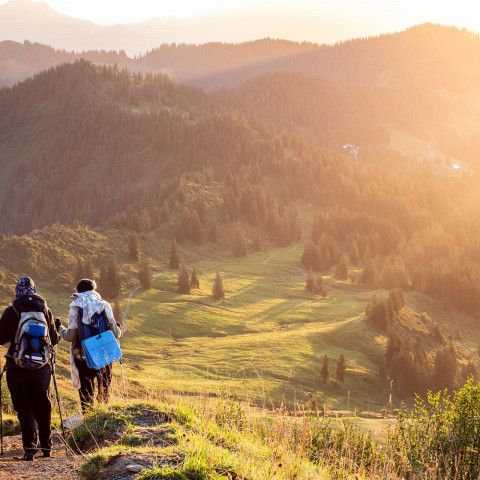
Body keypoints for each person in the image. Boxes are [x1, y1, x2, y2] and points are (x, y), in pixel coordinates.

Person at [0, 277, 60, 461]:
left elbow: (1, 338)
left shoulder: (12, 311)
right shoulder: (45, 310)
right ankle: (47, 447)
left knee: (25, 408)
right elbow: (54, 339)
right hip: (42, 369)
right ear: (34, 290)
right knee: (43, 406)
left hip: (16, 368)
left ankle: (29, 449)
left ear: (17, 291)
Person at [58, 279, 122, 413]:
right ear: (94, 290)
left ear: (78, 291)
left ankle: (88, 421)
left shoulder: (75, 306)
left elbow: (69, 337)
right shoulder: (104, 305)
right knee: (104, 393)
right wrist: (118, 327)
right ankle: (105, 420)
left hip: (83, 357)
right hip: (104, 356)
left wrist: (59, 328)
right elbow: (116, 333)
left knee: (86, 395)